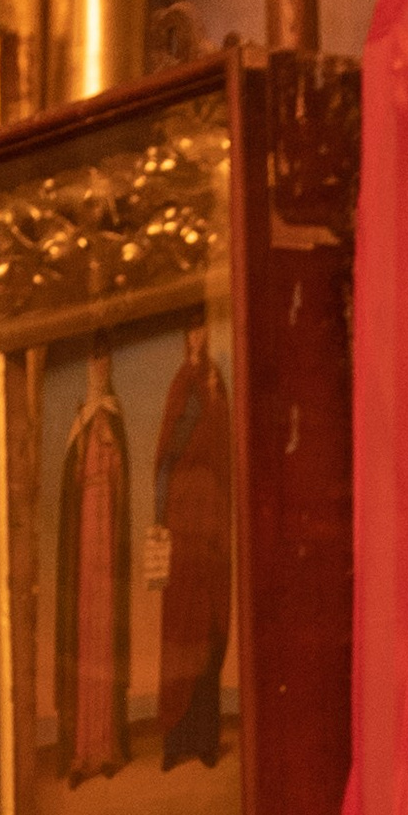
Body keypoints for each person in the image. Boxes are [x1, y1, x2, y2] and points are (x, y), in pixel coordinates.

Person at [149, 308, 233, 772]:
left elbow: (223, 450)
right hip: (182, 518)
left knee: (209, 628)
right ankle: (173, 740)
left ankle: (203, 739)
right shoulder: (183, 384)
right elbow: (165, 453)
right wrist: (161, 518)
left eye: (203, 329)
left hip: (211, 520)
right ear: (185, 338)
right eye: (192, 331)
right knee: (180, 629)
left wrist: (216, 403)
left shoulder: (215, 381)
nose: (197, 338)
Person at [55, 335, 130, 786]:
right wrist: (83, 441)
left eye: (103, 361)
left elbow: (122, 479)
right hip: (84, 541)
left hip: (108, 537)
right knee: (84, 639)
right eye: (92, 362)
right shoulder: (80, 421)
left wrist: (110, 448)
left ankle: (106, 747)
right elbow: (70, 485)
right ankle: (83, 751)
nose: (97, 369)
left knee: (104, 636)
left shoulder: (113, 418)